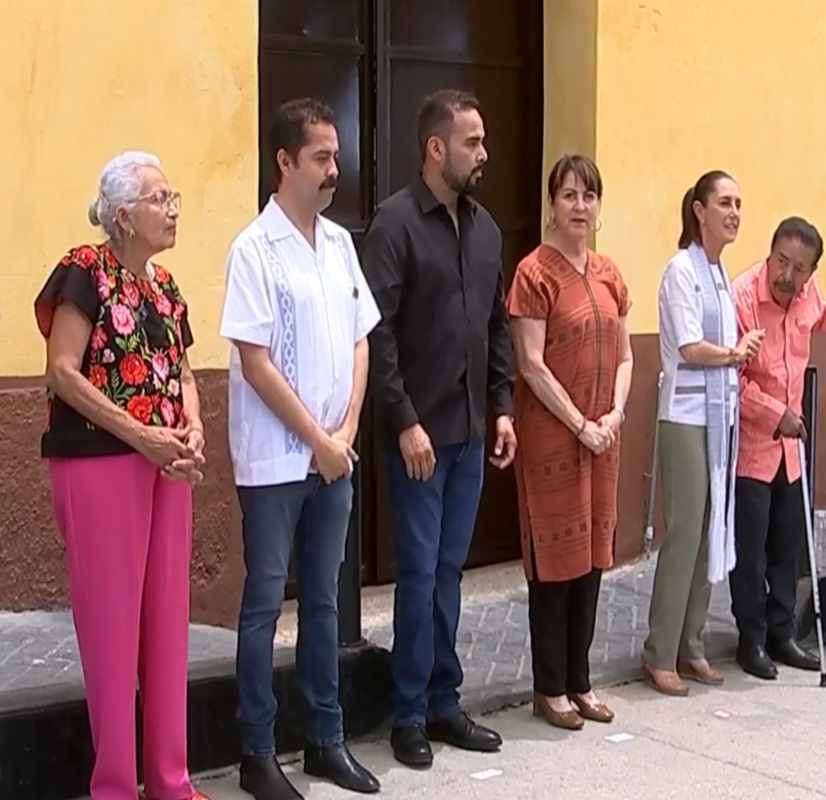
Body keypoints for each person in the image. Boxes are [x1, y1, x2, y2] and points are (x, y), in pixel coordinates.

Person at [221, 98, 381, 799]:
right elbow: (255, 361)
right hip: (275, 463)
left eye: (335, 157)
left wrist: (344, 431)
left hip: (334, 457)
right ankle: (257, 753)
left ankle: (325, 739)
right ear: (284, 162)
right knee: (263, 605)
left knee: (323, 604)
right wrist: (317, 439)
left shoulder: (340, 243)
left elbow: (361, 339)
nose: (333, 169)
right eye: (321, 157)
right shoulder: (253, 249)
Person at [35, 151, 206, 800]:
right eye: (161, 198)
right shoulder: (85, 270)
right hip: (99, 463)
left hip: (166, 465)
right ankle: (114, 787)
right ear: (124, 215)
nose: (173, 209)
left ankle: (170, 781)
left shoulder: (166, 288)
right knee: (112, 630)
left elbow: (183, 372)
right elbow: (62, 371)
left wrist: (192, 429)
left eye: (173, 196)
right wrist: (141, 435)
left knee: (167, 624)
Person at [361, 89, 516, 769]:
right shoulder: (394, 225)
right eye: (472, 142)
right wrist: (404, 421)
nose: (484, 153)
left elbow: (496, 325)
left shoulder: (486, 230)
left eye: (482, 140)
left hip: (471, 433)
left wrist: (502, 406)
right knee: (420, 575)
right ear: (435, 147)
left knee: (451, 571)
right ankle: (408, 714)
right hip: (419, 438)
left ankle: (445, 702)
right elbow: (377, 334)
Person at [508, 154, 632, 729]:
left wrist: (614, 415)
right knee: (555, 560)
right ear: (551, 204)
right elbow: (531, 363)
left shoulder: (609, 273)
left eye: (589, 195)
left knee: (592, 558)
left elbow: (627, 356)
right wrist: (580, 423)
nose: (580, 206)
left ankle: (581, 682)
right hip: (553, 437)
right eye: (569, 195)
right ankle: (549, 687)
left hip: (604, 437)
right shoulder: (533, 273)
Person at [642, 170, 765, 696]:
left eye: (738, 203)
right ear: (699, 210)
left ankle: (690, 643)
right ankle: (660, 650)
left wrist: (737, 355)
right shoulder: (681, 270)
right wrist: (736, 353)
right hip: (686, 416)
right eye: (724, 203)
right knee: (686, 529)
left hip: (718, 417)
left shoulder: (718, 272)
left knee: (710, 527)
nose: (734, 213)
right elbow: (689, 347)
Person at [729, 217, 826, 679]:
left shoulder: (809, 296)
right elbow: (733, 380)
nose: (787, 276)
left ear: (811, 272)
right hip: (753, 446)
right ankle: (751, 640)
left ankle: (782, 634)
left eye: (799, 268)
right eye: (781, 262)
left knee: (787, 546)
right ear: (769, 254)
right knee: (750, 553)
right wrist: (778, 415)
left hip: (791, 452)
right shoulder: (741, 297)